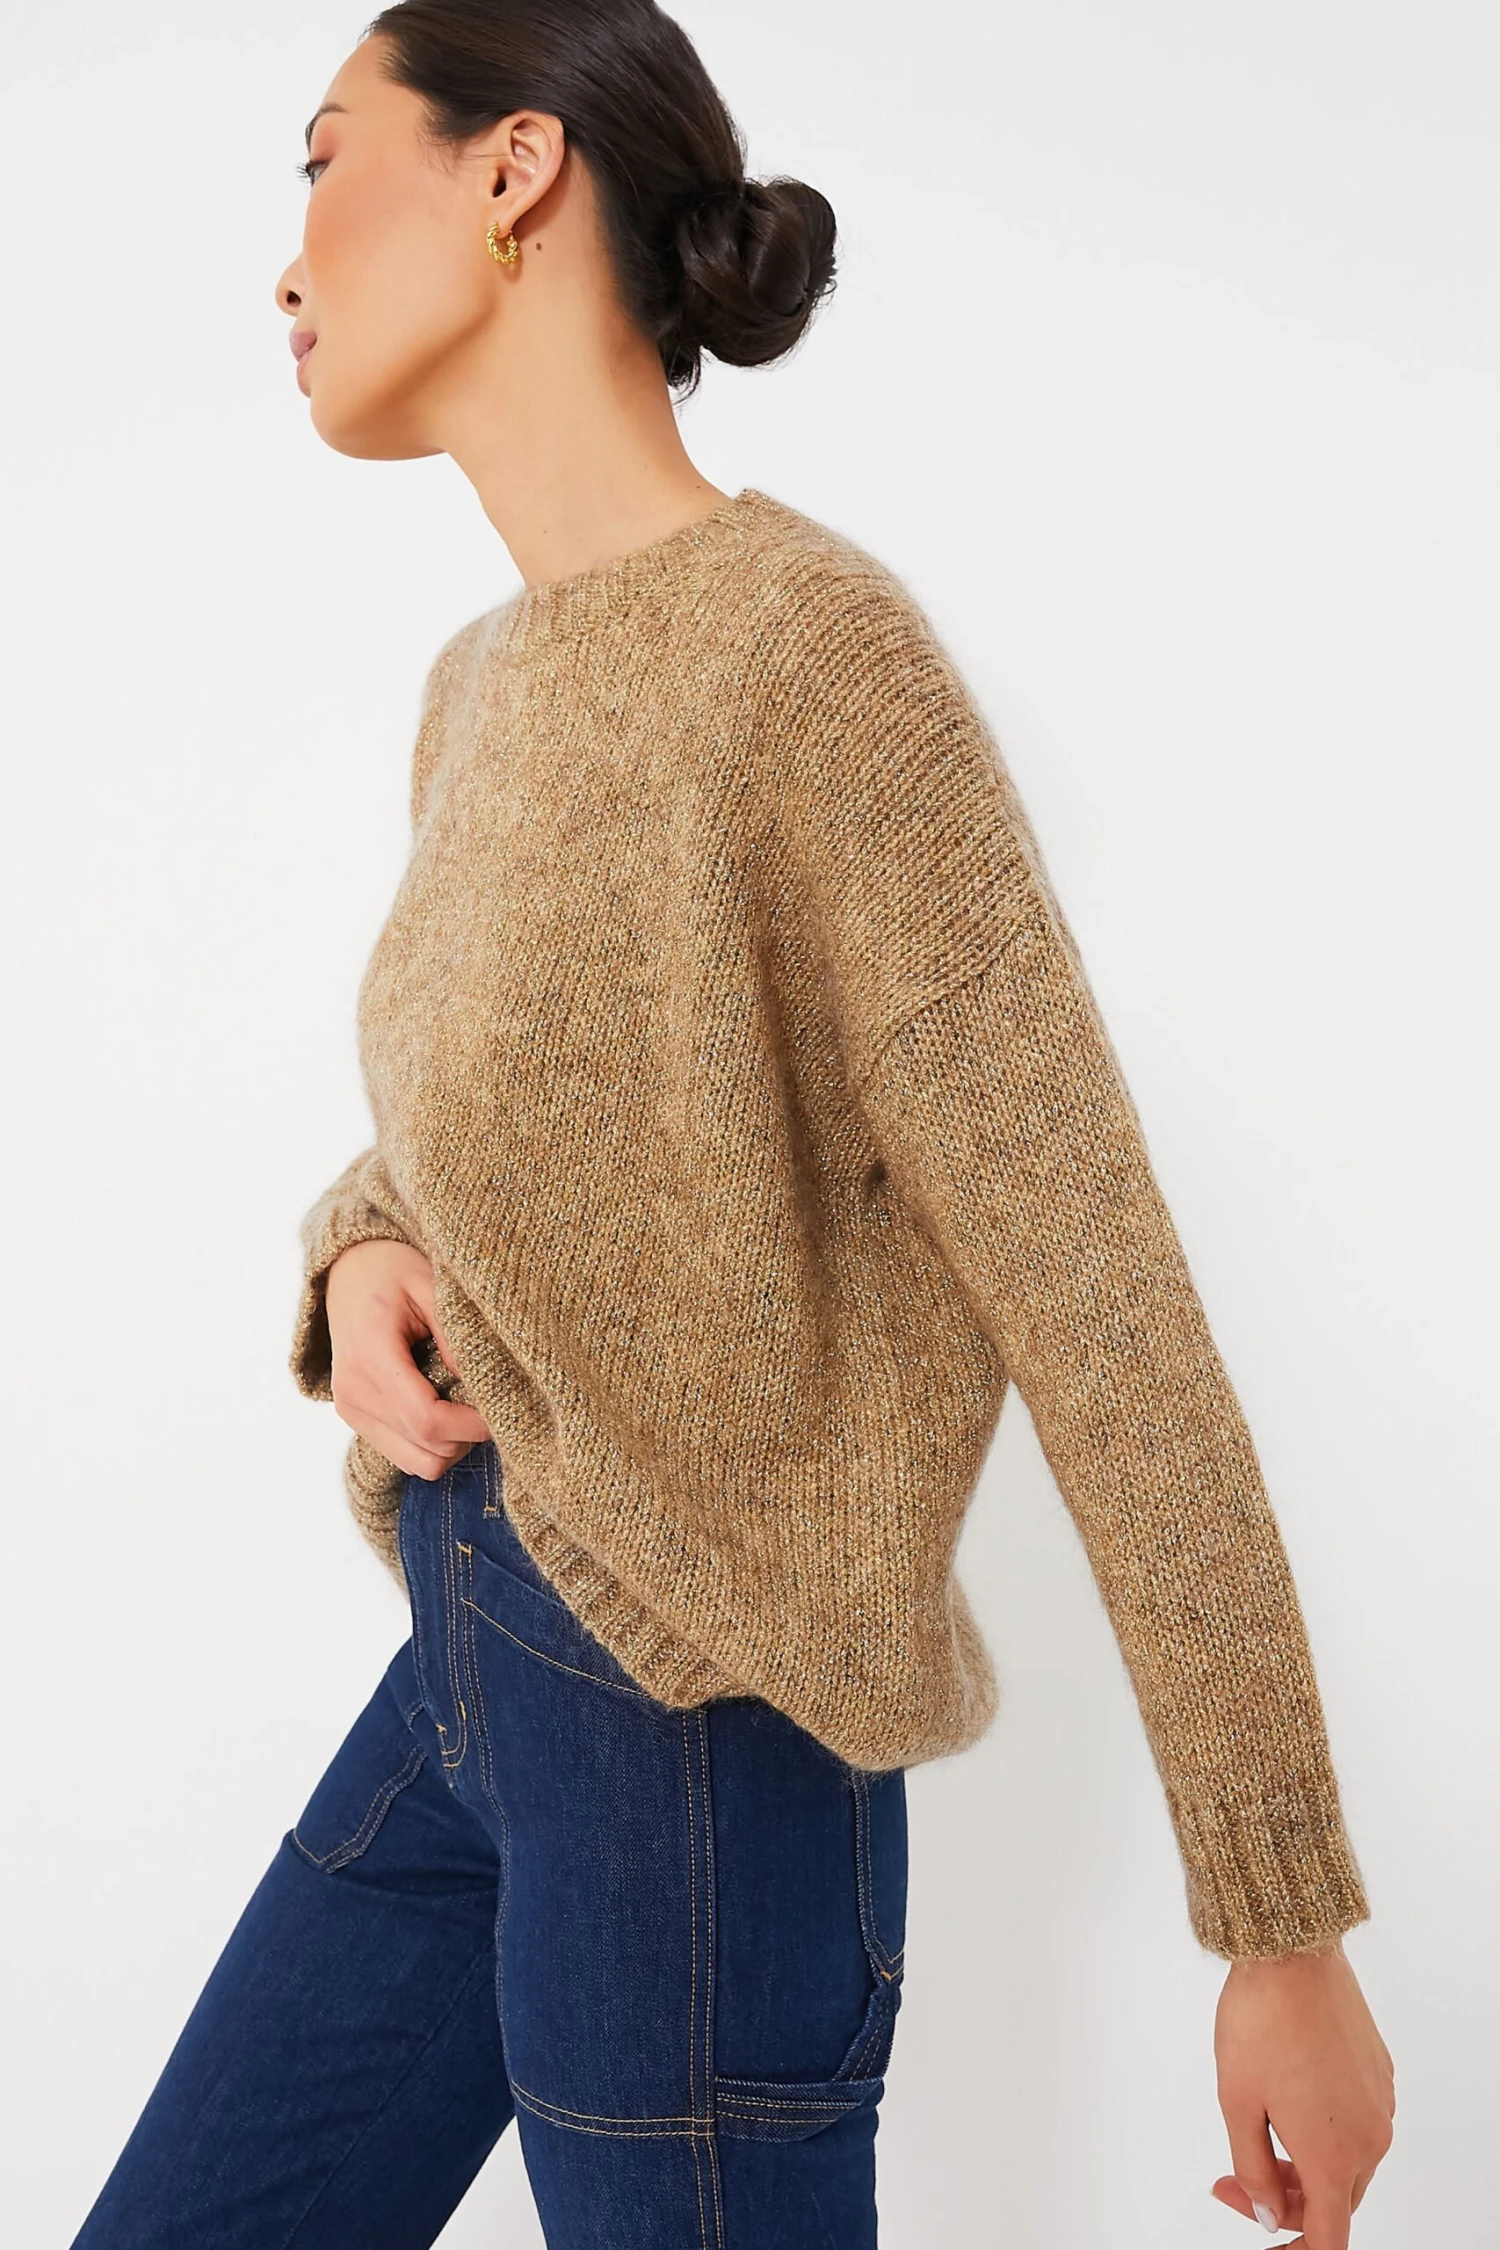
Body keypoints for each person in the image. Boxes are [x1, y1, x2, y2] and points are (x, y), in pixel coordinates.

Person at [72, 4, 1395, 2246]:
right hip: (472, 1675)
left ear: (514, 169)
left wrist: (1280, 1920)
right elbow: (528, 1141)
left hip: (690, 1746)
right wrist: (363, 1249)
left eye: (324, 158)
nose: (286, 258)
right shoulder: (479, 688)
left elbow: (1096, 1289)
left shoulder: (814, 660)